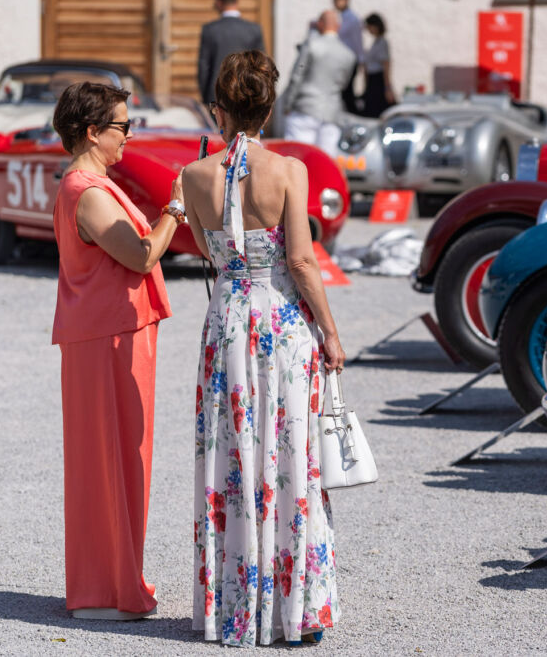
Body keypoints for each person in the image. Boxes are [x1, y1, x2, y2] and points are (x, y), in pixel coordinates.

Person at [183, 50, 346, 647]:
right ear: (271, 107)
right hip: (277, 320)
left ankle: (234, 607)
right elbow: (301, 259)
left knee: (232, 455)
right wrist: (330, 331)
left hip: (225, 321)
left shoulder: (193, 176)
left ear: (218, 109)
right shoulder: (287, 170)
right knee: (286, 452)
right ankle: (291, 606)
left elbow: (208, 249)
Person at [51, 82, 182, 620]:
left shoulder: (93, 184)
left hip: (112, 334)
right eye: (123, 126)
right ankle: (105, 590)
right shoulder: (88, 190)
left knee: (122, 460)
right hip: (105, 339)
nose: (129, 135)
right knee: (110, 460)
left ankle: (113, 582)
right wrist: (176, 206)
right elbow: (141, 254)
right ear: (92, 131)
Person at [283, 10, 355, 157]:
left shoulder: (311, 45)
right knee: (326, 162)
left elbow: (297, 76)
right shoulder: (348, 54)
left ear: (320, 24)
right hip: (331, 112)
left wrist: (287, 104)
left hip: (305, 108)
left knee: (297, 159)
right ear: (338, 27)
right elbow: (344, 84)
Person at [197, 0, 266, 105]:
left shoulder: (210, 30)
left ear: (218, 3)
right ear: (237, 2)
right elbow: (261, 65)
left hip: (216, 94)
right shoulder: (254, 29)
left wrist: (205, 97)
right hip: (246, 93)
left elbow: (204, 67)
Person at [329, 0, 363, 115]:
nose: (335, 3)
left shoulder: (352, 19)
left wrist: (361, 60)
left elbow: (356, 41)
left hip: (350, 61)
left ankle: (354, 118)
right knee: (343, 94)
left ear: (346, 0)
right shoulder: (341, 17)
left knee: (347, 94)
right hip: (342, 62)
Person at [361, 13, 395, 117]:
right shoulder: (376, 42)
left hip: (378, 81)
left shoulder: (382, 42)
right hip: (372, 81)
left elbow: (386, 65)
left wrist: (387, 88)